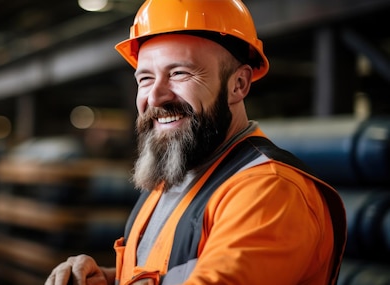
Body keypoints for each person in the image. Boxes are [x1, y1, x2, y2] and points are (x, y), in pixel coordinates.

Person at [45, 0, 347, 284]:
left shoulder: (270, 193)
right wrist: (108, 279)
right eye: (145, 79)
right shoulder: (173, 179)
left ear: (238, 85)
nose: (156, 96)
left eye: (179, 72)